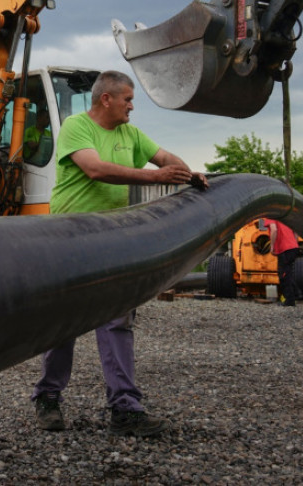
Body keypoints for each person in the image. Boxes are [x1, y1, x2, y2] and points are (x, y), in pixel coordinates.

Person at [29, 70, 207, 437]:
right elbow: (95, 170)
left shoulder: (131, 134)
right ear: (105, 99)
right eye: (127, 99)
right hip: (71, 237)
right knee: (65, 322)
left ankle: (125, 409)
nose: (131, 106)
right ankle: (48, 397)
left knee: (117, 321)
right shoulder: (77, 128)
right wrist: (157, 179)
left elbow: (163, 157)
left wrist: (187, 173)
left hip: (113, 237)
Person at [268, 218, 300, 306]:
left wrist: (272, 246)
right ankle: (296, 294)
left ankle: (289, 300)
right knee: (288, 272)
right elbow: (295, 230)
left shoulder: (270, 216)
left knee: (283, 274)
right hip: (293, 247)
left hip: (285, 249)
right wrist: (294, 242)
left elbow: (274, 230)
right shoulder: (284, 216)